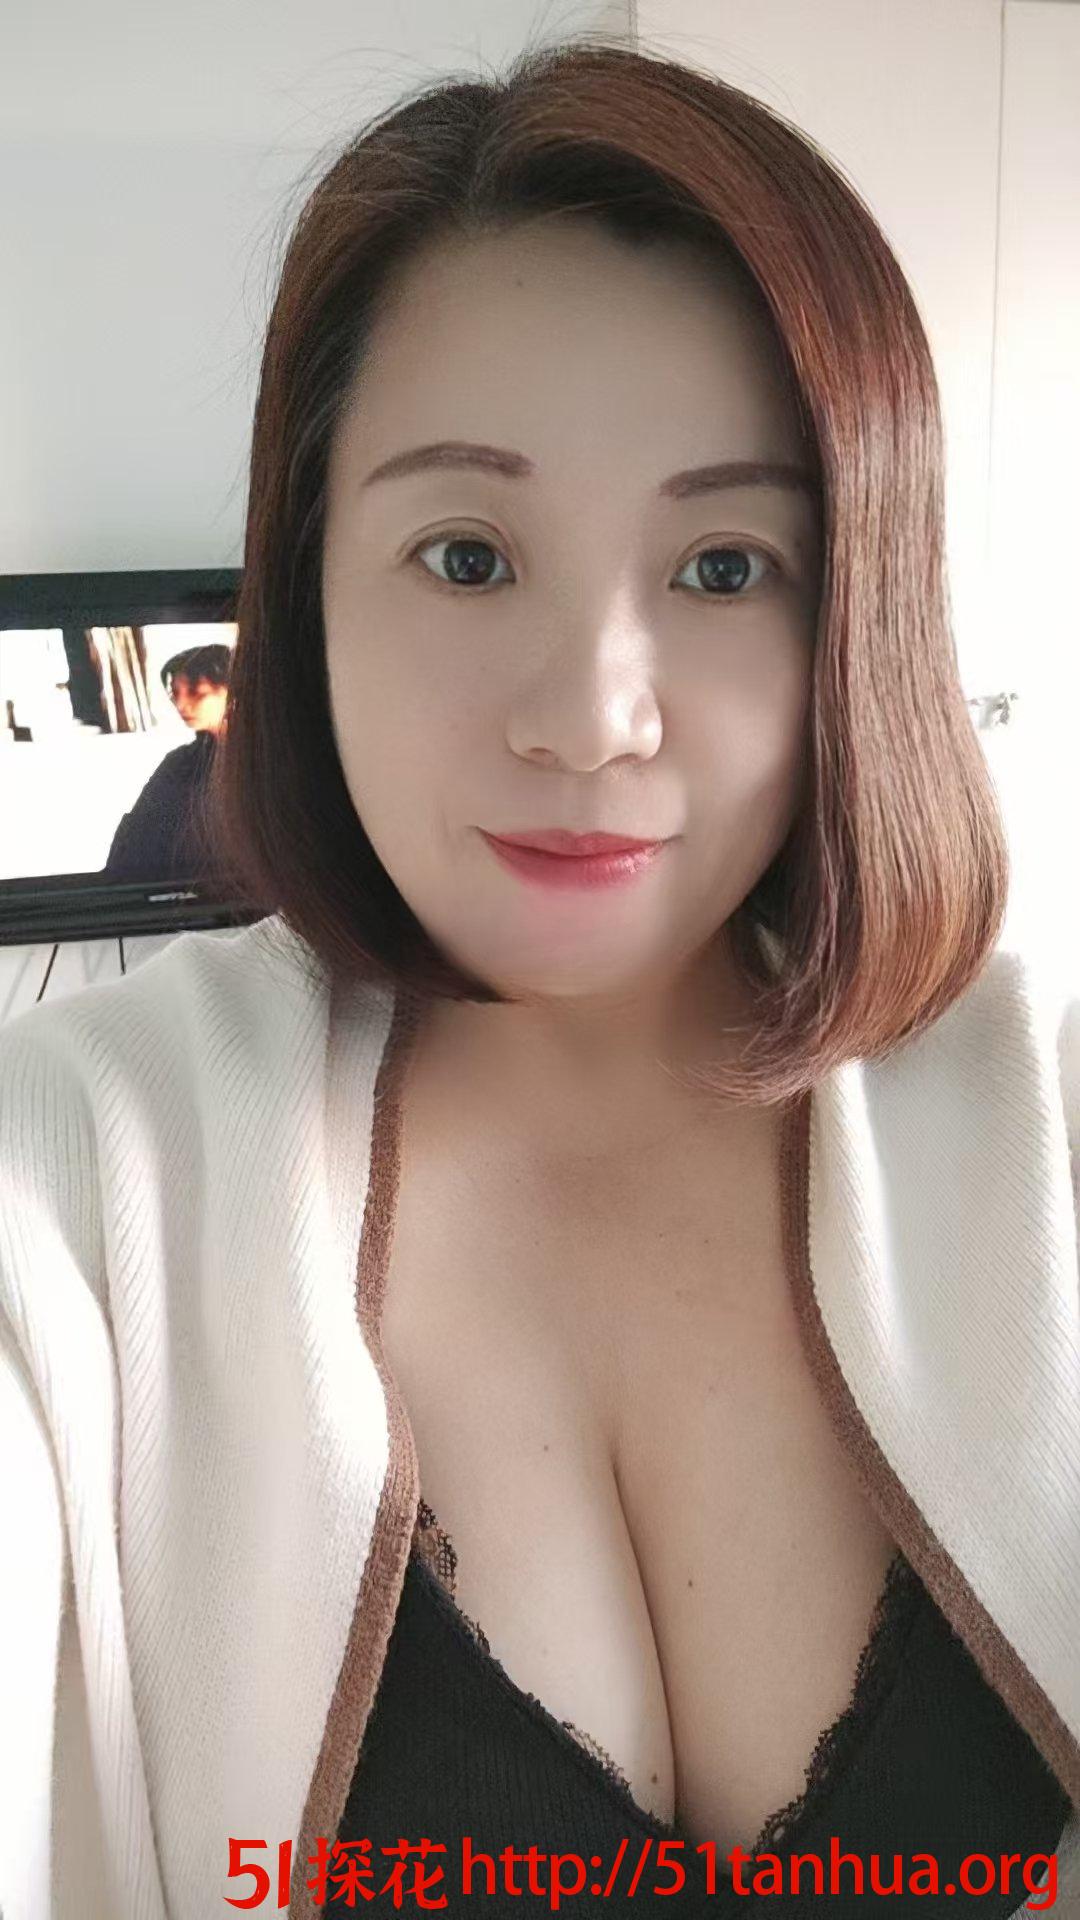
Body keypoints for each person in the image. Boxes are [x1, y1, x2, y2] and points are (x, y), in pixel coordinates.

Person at [1, 35, 1078, 1920]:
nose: (591, 717)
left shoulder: (1052, 1118)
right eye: (468, 554)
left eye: (726, 566)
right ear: (306, 585)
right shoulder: (72, 1193)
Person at [102, 645, 231, 880]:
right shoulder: (181, 762)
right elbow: (139, 834)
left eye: (196, 691)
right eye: (175, 694)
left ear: (231, 692)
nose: (181, 705)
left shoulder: (266, 761)